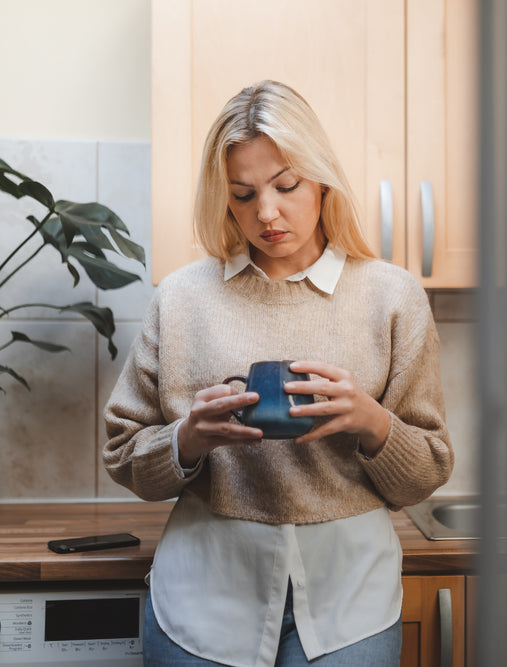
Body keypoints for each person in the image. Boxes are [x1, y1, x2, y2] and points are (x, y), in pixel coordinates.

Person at [103, 80, 453, 667]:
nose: (267, 213)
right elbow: (123, 455)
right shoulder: (183, 298)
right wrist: (189, 439)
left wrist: (372, 423)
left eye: (286, 186)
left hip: (351, 604)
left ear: (321, 178)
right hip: (204, 597)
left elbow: (426, 472)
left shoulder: (392, 297)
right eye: (243, 195)